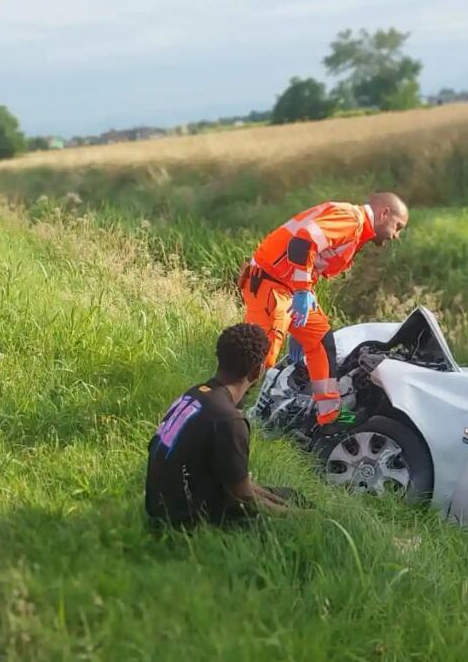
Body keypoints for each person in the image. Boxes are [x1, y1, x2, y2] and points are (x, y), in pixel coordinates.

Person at [240, 193, 408, 426]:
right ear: (384, 214)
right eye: (398, 227)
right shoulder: (351, 220)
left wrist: (304, 296)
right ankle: (226, 412)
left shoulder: (355, 227)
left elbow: (309, 257)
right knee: (258, 358)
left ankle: (329, 416)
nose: (396, 235)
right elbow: (301, 243)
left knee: (321, 341)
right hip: (272, 285)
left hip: (287, 288)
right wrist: (302, 292)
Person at [145, 323, 298, 528]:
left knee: (289, 495)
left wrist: (276, 500)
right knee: (290, 517)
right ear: (257, 371)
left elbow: (237, 483)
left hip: (161, 505)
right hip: (186, 521)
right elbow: (242, 498)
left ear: (220, 358)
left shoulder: (196, 394)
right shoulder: (229, 421)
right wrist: (303, 516)